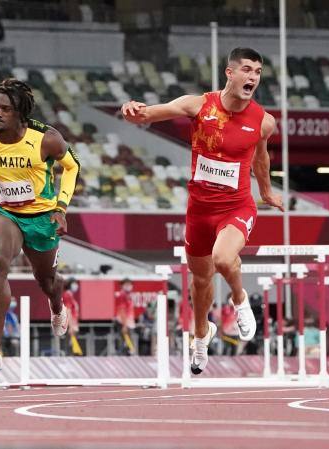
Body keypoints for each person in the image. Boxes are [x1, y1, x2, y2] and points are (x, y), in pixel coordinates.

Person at [120, 47, 283, 374]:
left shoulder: (263, 121)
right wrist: (134, 110)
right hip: (199, 211)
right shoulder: (199, 105)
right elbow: (153, 114)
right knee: (200, 281)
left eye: (258, 72)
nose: (252, 77)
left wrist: (265, 190)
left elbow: (261, 158)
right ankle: (200, 336)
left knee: (223, 259)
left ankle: (240, 300)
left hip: (237, 206)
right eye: (247, 70)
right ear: (230, 73)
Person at [0, 78, 79, 374]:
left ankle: (57, 306)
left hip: (42, 216)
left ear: (19, 112)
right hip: (4, 212)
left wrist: (61, 208)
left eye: (4, 109)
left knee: (47, 281)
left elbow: (72, 167)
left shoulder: (47, 138)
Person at [114, 278, 136, 355]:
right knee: (125, 342)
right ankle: (125, 356)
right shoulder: (122, 295)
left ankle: (128, 353)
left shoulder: (128, 296)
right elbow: (122, 310)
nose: (128, 286)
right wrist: (124, 325)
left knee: (127, 342)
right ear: (122, 286)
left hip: (128, 323)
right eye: (126, 284)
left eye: (130, 284)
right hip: (124, 322)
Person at [62, 278, 82, 356]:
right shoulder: (67, 295)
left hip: (73, 323)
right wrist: (71, 326)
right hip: (70, 324)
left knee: (73, 346)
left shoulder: (70, 295)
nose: (76, 285)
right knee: (71, 347)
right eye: (74, 283)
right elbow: (68, 311)